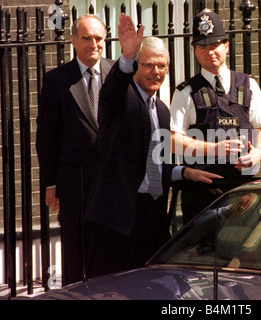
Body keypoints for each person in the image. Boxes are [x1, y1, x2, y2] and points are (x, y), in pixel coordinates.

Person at [84, 13, 221, 278]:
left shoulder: (162, 110)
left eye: (161, 66)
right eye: (147, 65)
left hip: (152, 214)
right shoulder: (121, 98)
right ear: (136, 66)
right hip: (117, 219)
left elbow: (158, 163)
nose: (155, 72)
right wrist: (125, 57)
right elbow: (111, 90)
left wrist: (184, 172)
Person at [170, 10, 261, 225]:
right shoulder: (186, 92)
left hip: (242, 195)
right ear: (195, 52)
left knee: (244, 254)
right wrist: (213, 149)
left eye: (214, 45)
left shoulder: (248, 85)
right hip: (202, 197)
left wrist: (258, 153)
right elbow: (173, 141)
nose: (210, 52)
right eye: (202, 47)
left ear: (226, 45)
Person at [36, 14, 115, 286]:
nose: (94, 44)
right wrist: (50, 183)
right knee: (75, 258)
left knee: (108, 256)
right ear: (72, 40)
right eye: (87, 38)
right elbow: (46, 136)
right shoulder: (57, 80)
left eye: (99, 38)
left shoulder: (118, 74)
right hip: (74, 186)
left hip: (111, 184)